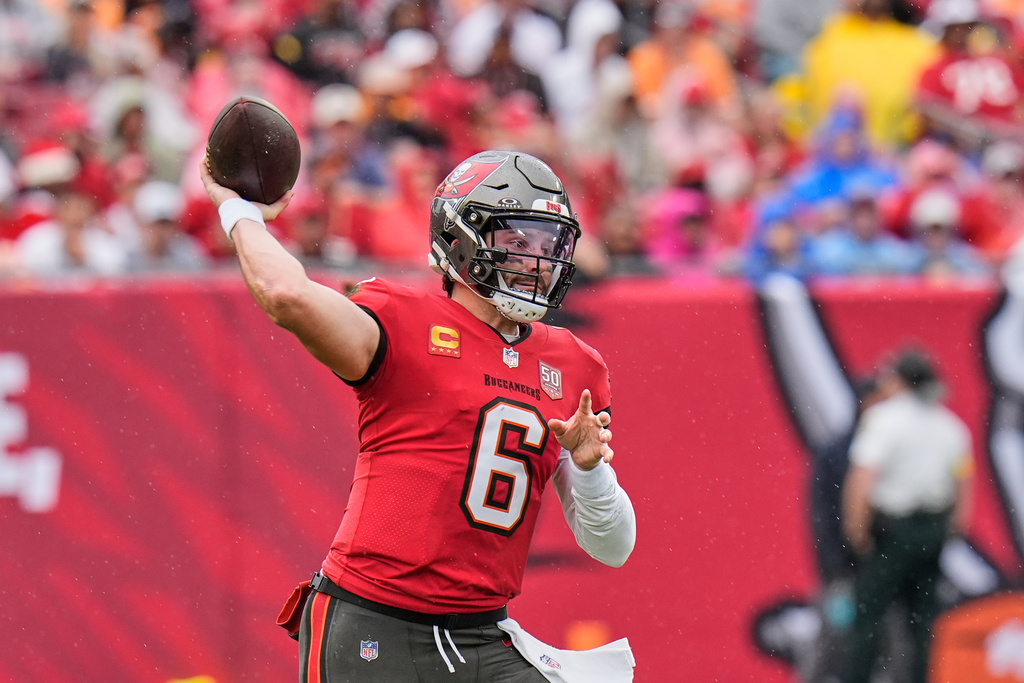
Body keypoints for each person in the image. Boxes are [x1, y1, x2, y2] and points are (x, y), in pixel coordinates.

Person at [199, 149, 637, 682]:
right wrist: (239, 212)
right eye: (519, 242)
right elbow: (286, 294)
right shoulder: (402, 318)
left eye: (548, 246)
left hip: (483, 636)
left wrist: (589, 470)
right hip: (375, 624)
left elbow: (613, 547)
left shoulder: (572, 365)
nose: (536, 262)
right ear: (462, 240)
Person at [841, 348, 974, 683]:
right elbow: (963, 482)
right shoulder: (950, 426)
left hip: (892, 531)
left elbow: (863, 477)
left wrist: (857, 528)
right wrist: (952, 528)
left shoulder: (884, 420)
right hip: (932, 529)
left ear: (900, 380)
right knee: (922, 619)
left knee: (868, 613)